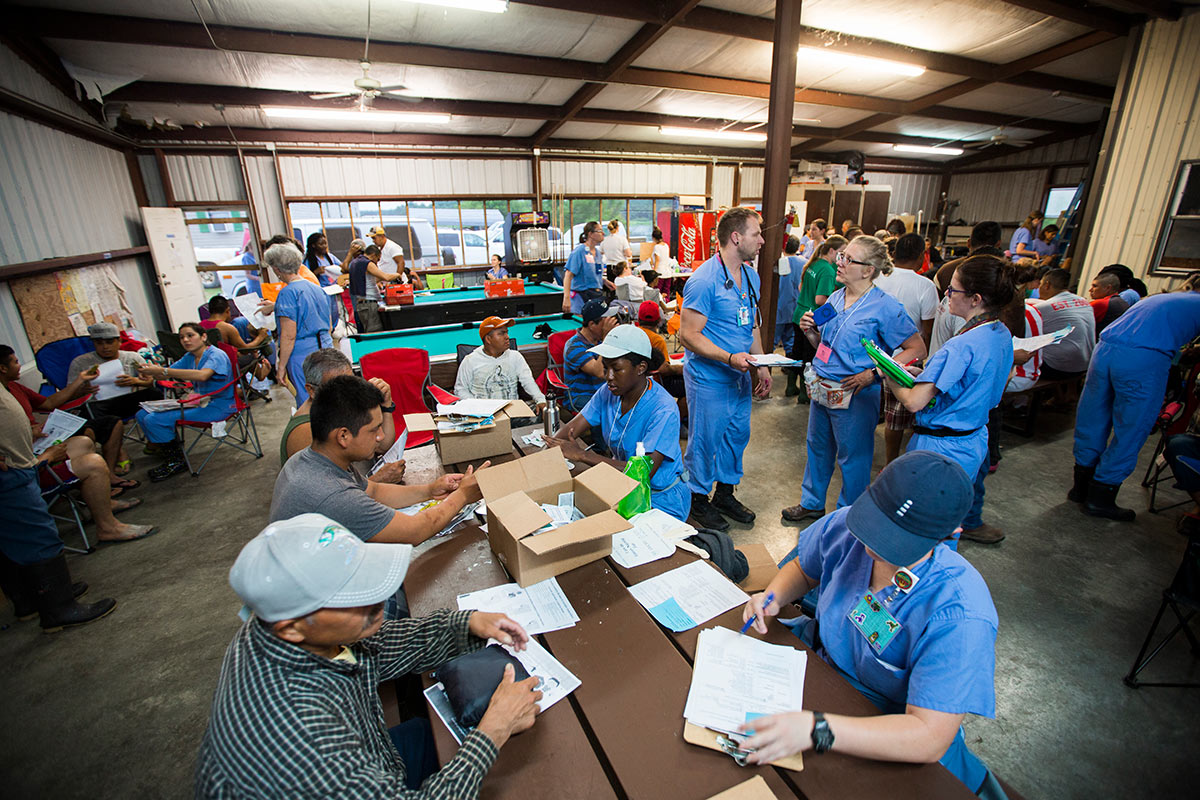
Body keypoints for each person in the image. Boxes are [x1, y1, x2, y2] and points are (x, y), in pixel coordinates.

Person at [194, 513, 541, 798]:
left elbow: (376, 647)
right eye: (353, 600)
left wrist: (465, 624)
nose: (378, 602)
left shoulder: (283, 629)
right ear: (291, 627)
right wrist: (493, 730)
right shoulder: (300, 735)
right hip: (321, 773)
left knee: (427, 732)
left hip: (373, 749)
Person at [741, 451, 1003, 798]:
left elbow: (928, 736)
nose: (870, 545)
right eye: (873, 524)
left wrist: (817, 729)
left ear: (953, 532)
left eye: (895, 540)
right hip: (818, 677)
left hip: (888, 731)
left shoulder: (959, 613)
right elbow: (806, 568)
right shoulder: (848, 527)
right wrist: (771, 597)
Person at [782, 235, 925, 522]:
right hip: (823, 388)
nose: (840, 262)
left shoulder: (885, 307)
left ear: (868, 269)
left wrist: (874, 374)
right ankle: (812, 502)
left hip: (857, 393)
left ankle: (850, 514)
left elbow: (916, 349)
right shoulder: (835, 298)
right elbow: (824, 345)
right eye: (841, 256)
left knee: (854, 456)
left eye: (848, 259)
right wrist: (810, 331)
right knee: (818, 447)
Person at [883, 255, 1015, 544]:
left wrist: (889, 374)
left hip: (940, 445)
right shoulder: (1001, 333)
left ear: (975, 298)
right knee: (948, 520)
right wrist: (929, 373)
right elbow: (986, 383)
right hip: (973, 438)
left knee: (923, 524)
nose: (947, 295)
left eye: (953, 290)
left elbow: (915, 402)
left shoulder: (960, 345)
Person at [270, 375, 485, 544]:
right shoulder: (334, 495)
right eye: (374, 430)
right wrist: (464, 495)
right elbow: (415, 531)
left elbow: (373, 491)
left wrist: (430, 490)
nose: (381, 436)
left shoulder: (310, 459)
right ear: (343, 436)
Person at [1068, 276, 1200, 520]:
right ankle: (1101, 498)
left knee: (1093, 416)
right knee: (1132, 427)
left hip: (1106, 349)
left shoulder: (1167, 297)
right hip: (1143, 358)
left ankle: (1080, 488)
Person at [1, 345, 156, 543]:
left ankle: (103, 503)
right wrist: (39, 447)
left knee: (84, 442)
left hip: (35, 449)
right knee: (93, 463)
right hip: (27, 469)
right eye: (15, 361)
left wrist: (81, 382)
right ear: (2, 368)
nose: (19, 364)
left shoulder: (13, 387)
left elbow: (47, 404)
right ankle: (108, 528)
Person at [680, 206, 772, 531]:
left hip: (739, 376)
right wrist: (730, 358)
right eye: (756, 233)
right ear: (736, 237)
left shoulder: (750, 275)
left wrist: (760, 364)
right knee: (705, 440)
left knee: (737, 436)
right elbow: (687, 335)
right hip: (710, 378)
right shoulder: (704, 281)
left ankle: (725, 493)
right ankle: (697, 498)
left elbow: (752, 325)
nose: (761, 240)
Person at [0, 385, 119, 631]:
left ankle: (31, 600)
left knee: (11, 537)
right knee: (37, 535)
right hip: (11, 472)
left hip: (15, 463)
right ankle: (60, 608)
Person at [546, 325, 689, 521]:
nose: (608, 377)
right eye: (606, 368)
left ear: (641, 368)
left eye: (617, 369)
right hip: (622, 488)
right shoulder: (609, 392)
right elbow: (570, 430)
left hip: (658, 499)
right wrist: (550, 449)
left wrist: (581, 454)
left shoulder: (663, 410)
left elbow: (642, 474)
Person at [280, 349, 403, 485]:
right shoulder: (306, 432)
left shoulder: (338, 408)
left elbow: (382, 446)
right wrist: (377, 481)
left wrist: (386, 406)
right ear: (312, 390)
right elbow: (325, 495)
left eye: (351, 383)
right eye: (337, 387)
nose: (348, 393)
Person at [136, 322, 236, 481]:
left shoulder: (215, 355)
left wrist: (163, 371)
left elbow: (203, 375)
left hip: (219, 405)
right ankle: (168, 450)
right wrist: (149, 371)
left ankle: (175, 461)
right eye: (182, 337)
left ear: (204, 337)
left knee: (154, 419)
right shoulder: (190, 357)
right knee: (142, 414)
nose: (185, 340)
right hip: (198, 401)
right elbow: (166, 375)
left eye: (190, 335)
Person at [874, 233, 939, 465]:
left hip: (872, 356)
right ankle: (891, 464)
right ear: (922, 256)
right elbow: (927, 330)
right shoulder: (925, 285)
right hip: (904, 361)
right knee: (897, 419)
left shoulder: (878, 278)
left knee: (872, 411)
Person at [65, 321, 158, 480]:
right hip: (99, 404)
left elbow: (150, 382)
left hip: (128, 399)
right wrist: (83, 389)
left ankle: (156, 440)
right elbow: (70, 393)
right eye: (99, 343)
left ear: (119, 342)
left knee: (154, 393)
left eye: (109, 342)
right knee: (90, 411)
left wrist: (136, 381)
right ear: (93, 343)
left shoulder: (131, 357)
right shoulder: (81, 363)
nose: (105, 347)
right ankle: (118, 450)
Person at [268, 243, 335, 404]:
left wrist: (281, 366)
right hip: (326, 347)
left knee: (309, 400)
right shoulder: (317, 288)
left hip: (303, 354)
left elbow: (288, 336)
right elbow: (330, 326)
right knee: (329, 397)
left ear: (277, 269)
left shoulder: (287, 293)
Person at [785, 235, 847, 400]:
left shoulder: (812, 264)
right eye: (841, 254)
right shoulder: (827, 270)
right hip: (812, 318)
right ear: (832, 251)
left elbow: (800, 287)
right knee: (809, 357)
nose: (841, 260)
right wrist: (839, 302)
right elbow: (820, 299)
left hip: (799, 312)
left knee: (796, 353)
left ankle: (791, 386)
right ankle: (805, 394)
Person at [454, 316, 547, 418]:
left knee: (549, 412)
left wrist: (540, 400)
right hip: (483, 417)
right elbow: (460, 390)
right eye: (501, 333)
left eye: (506, 332)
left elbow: (528, 381)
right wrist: (478, 408)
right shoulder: (470, 361)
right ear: (488, 339)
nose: (507, 337)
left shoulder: (515, 356)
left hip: (513, 413)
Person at [1033, 268, 1095, 381]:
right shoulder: (1084, 302)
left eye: (1040, 284)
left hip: (1057, 367)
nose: (1038, 288)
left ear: (1047, 285)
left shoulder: (1043, 308)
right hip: (1085, 365)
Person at [563, 299, 620, 413]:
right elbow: (598, 372)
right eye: (606, 321)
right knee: (607, 411)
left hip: (605, 391)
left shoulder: (599, 340)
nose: (610, 323)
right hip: (581, 396)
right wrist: (606, 339)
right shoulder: (573, 346)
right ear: (592, 324)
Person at [201, 296, 271, 378]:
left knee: (238, 354)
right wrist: (261, 336)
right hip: (226, 365)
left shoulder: (199, 326)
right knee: (248, 356)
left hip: (205, 364)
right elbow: (245, 349)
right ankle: (261, 375)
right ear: (227, 310)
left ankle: (244, 387)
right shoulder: (227, 328)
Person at [345, 243, 398, 334]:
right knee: (375, 333)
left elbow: (369, 280)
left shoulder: (355, 262)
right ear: (373, 255)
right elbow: (386, 277)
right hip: (369, 304)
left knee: (368, 331)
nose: (377, 263)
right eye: (377, 259)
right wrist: (398, 274)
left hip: (361, 305)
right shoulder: (367, 263)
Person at [561, 221, 606, 314]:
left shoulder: (597, 253)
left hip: (596, 295)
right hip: (580, 296)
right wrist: (566, 298)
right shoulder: (579, 252)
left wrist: (605, 281)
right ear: (591, 234)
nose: (603, 233)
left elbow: (594, 273)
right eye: (600, 231)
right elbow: (568, 276)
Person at [774, 235, 805, 352]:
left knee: (772, 341)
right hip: (797, 308)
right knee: (791, 342)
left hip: (780, 308)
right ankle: (789, 368)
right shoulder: (805, 263)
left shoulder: (780, 263)